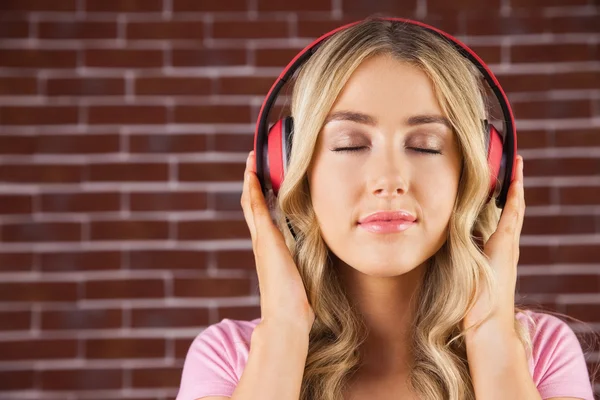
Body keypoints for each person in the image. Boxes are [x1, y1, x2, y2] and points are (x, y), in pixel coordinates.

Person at [175, 17, 597, 400]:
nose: (389, 179)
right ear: (292, 169)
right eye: (350, 144)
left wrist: (491, 335)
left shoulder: (540, 353)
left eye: (424, 146)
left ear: (479, 173)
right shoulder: (227, 358)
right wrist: (284, 332)